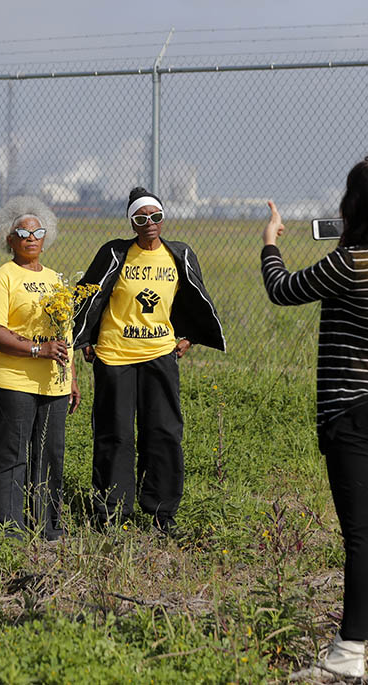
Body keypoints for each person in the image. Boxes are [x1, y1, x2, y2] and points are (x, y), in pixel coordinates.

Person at [260, 156, 368, 678]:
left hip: (356, 415)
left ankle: (348, 652)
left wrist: (271, 240)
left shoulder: (349, 263)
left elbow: (282, 288)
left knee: (361, 537)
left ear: (352, 206)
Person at [73, 187, 225, 534]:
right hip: (115, 356)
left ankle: (162, 513)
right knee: (116, 434)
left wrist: (189, 336)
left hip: (160, 355)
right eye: (141, 218)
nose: (149, 224)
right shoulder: (115, 253)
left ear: (163, 218)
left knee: (164, 433)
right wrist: (86, 337)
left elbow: (192, 297)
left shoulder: (179, 254)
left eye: (155, 216)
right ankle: (112, 513)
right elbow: (88, 292)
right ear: (132, 222)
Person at [0, 197, 80, 540]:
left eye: (37, 232)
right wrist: (37, 349)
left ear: (46, 237)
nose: (30, 237)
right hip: (12, 381)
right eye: (22, 231)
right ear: (10, 238)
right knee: (12, 453)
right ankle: (9, 530)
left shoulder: (55, 279)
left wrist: (72, 379)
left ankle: (47, 527)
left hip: (53, 384)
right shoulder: (3, 277)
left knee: (50, 455)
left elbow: (65, 335)